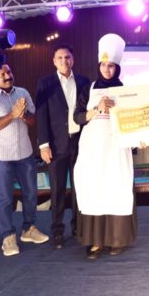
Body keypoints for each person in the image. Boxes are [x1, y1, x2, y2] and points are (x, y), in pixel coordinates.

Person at [73, 33, 136, 259]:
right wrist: (97, 108)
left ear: (117, 68)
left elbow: (134, 120)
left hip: (117, 150)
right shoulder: (88, 89)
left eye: (111, 66)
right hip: (93, 150)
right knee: (94, 189)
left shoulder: (126, 90)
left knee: (117, 189)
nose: (107, 70)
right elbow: (77, 118)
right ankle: (96, 241)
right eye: (103, 65)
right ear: (98, 65)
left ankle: (117, 240)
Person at [0, 64, 48, 257]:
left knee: (31, 194)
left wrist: (24, 115)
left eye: (9, 72)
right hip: (1, 157)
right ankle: (8, 236)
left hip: (25, 154)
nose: (7, 76)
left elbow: (33, 121)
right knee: (5, 198)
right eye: (2, 74)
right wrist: (12, 115)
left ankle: (28, 229)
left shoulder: (22, 92)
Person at [36, 44, 91, 249]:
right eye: (59, 58)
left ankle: (78, 228)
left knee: (79, 189)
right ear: (54, 61)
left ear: (73, 60)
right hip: (56, 146)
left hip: (80, 143)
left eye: (67, 57)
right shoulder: (45, 83)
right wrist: (43, 145)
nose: (64, 61)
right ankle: (58, 231)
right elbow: (41, 116)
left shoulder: (84, 81)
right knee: (57, 190)